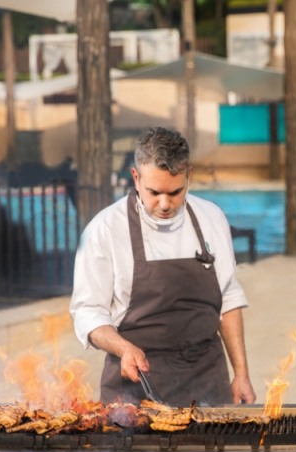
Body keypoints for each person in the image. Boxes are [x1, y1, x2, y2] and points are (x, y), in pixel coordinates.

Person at [70, 126, 256, 407]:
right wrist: (123, 348)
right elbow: (87, 312)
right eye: (154, 192)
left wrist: (241, 373)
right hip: (136, 388)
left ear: (189, 176)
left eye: (176, 191)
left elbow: (228, 300)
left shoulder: (211, 218)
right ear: (135, 177)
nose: (165, 203)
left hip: (207, 381)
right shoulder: (104, 230)